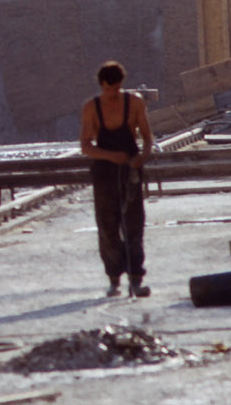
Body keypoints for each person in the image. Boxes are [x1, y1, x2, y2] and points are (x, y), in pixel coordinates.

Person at [79, 60, 154, 298]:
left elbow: (147, 138)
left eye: (116, 88)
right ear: (101, 85)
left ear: (121, 84)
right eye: (108, 89)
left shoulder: (135, 103)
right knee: (107, 225)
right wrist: (112, 156)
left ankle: (135, 277)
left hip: (130, 169)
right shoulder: (91, 108)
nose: (112, 93)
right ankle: (113, 276)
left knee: (133, 223)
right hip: (104, 172)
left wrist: (141, 157)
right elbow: (85, 146)